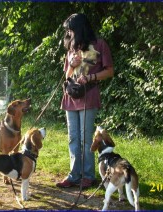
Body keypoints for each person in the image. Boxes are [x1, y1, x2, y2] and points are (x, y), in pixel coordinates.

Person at [56, 13, 114, 189]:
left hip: (89, 95)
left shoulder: (100, 44)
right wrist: (72, 65)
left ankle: (88, 176)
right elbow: (66, 76)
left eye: (71, 29)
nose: (69, 33)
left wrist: (91, 77)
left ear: (80, 28)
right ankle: (74, 175)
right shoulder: (71, 50)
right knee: (73, 138)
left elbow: (110, 71)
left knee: (85, 139)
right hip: (71, 97)